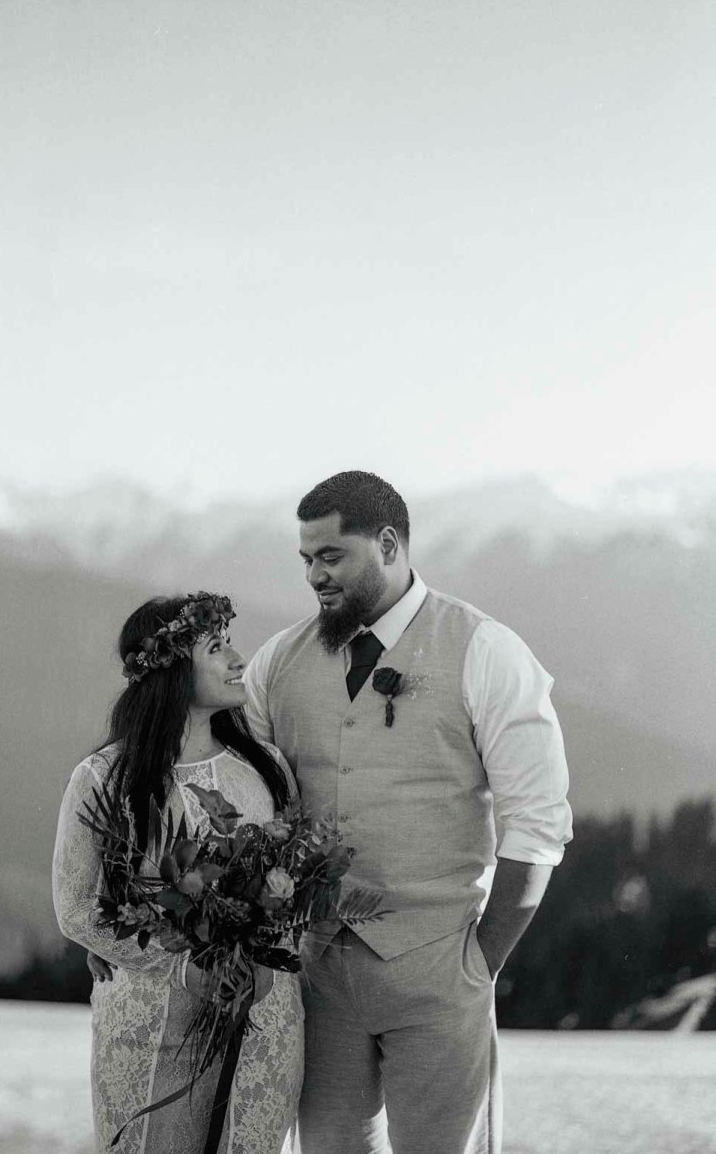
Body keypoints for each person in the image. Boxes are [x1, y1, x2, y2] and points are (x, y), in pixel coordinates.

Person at [242, 471, 573, 1154]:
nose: (314, 576)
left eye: (330, 555)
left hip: (439, 965)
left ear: (388, 544)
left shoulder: (485, 650)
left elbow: (537, 821)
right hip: (316, 972)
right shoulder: (277, 662)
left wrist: (479, 962)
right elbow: (237, 802)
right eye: (305, 558)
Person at [52, 592, 304, 1154]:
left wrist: (265, 952)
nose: (239, 660)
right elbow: (75, 908)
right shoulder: (104, 780)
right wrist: (183, 968)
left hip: (262, 1018)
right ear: (170, 669)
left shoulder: (266, 768)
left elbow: (293, 887)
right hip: (151, 1025)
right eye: (217, 648)